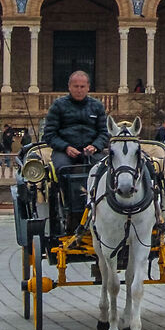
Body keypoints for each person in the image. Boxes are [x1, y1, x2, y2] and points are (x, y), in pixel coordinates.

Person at [40, 69, 114, 230]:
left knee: (105, 168)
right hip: (65, 150)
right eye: (76, 86)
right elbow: (49, 134)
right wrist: (65, 147)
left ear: (88, 87)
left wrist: (95, 146)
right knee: (62, 169)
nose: (79, 90)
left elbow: (104, 133)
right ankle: (69, 206)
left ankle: (103, 205)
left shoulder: (97, 106)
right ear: (69, 87)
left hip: (91, 151)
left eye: (82, 86)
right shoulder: (58, 106)